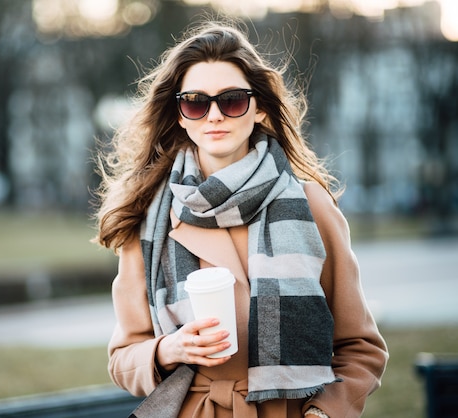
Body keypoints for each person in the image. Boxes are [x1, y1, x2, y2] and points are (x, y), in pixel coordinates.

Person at [93, 20, 388, 418]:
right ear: (180, 114)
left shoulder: (309, 204)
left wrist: (323, 413)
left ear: (259, 107)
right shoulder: (149, 218)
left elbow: (361, 348)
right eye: (196, 102)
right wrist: (169, 349)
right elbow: (123, 358)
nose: (214, 116)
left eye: (232, 100)